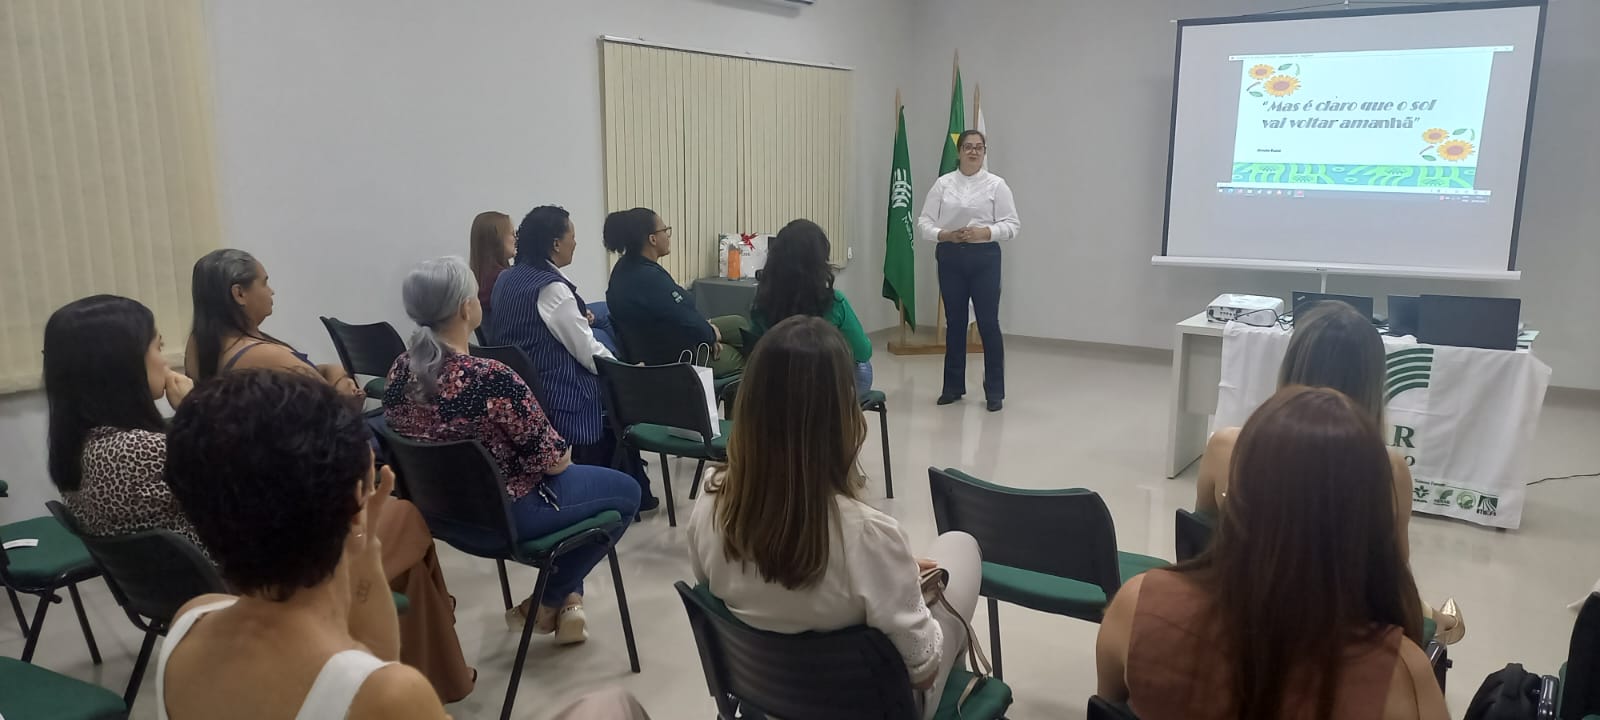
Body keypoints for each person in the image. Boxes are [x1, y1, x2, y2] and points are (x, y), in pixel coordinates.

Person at [1096, 386, 1450, 720]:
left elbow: (1110, 707)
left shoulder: (1136, 604)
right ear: (1371, 518)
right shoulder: (1400, 675)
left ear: (1236, 496)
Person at [688, 316, 980, 720]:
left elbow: (715, 594)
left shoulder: (710, 501)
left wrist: (896, 576)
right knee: (959, 548)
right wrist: (908, 586)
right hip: (872, 709)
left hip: (763, 700)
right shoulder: (871, 537)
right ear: (843, 416)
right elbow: (923, 670)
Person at [156, 370, 448, 720]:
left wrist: (364, 543)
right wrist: (363, 539)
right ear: (357, 502)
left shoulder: (190, 622)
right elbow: (370, 687)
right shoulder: (393, 696)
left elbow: (364, 674)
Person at [384, 257, 641, 640]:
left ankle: (567, 598)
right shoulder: (492, 378)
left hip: (442, 514)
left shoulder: (400, 370)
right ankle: (550, 599)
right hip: (511, 514)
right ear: (465, 308)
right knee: (627, 492)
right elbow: (555, 463)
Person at [1195, 301, 1414, 557]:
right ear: (1372, 384)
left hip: (1236, 595)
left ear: (1291, 368)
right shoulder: (1389, 470)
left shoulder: (1227, 447)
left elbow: (1200, 544)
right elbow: (1395, 574)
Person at [43, 295, 202, 549]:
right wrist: (195, 409)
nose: (165, 362)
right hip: (226, 580)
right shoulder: (141, 450)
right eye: (158, 347)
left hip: (161, 586)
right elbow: (243, 478)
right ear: (124, 362)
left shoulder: (77, 444)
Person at [917, 129, 1020, 412]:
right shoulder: (943, 184)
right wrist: (945, 235)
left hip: (985, 257)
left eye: (978, 147)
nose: (973, 152)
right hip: (951, 256)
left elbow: (1012, 225)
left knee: (988, 323)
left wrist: (985, 232)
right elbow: (924, 223)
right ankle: (952, 387)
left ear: (985, 152)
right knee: (956, 322)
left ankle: (995, 391)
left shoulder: (997, 185)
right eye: (967, 147)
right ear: (959, 151)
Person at [184, 248, 364, 406]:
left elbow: (311, 373)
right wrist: (346, 394)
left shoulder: (198, 344)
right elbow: (337, 412)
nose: (271, 291)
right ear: (239, 293)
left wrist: (335, 373)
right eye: (264, 283)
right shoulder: (264, 355)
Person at [603, 207, 747, 377]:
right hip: (674, 360)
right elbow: (685, 317)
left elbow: (682, 312)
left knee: (738, 324)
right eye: (665, 230)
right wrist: (709, 334)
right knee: (742, 360)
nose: (668, 235)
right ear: (653, 239)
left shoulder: (625, 268)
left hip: (668, 340)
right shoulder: (649, 278)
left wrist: (707, 330)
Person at [749, 218, 873, 397]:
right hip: (828, 390)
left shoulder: (764, 301)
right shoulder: (834, 302)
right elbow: (863, 351)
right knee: (863, 365)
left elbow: (757, 350)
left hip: (777, 387)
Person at [469, 210, 516, 321]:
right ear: (496, 240)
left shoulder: (475, 280)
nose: (516, 239)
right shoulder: (503, 280)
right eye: (512, 234)